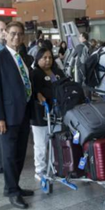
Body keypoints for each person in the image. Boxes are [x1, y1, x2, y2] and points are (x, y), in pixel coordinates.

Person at [0, 21, 34, 209]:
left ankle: (14, 186)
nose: (17, 37)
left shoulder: (23, 57)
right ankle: (12, 191)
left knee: (20, 153)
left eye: (20, 34)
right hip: (7, 116)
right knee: (9, 155)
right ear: (5, 34)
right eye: (13, 33)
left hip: (24, 113)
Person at [30, 48, 65, 180]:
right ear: (38, 59)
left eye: (50, 57)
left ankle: (56, 166)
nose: (48, 60)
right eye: (44, 57)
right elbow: (32, 91)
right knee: (41, 144)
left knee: (56, 142)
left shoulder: (57, 72)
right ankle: (40, 170)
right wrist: (38, 94)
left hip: (57, 114)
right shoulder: (34, 74)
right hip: (40, 114)